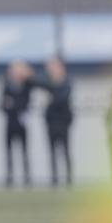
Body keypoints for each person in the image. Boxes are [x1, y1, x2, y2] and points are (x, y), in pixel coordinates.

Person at [1, 60, 34, 186]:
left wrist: (13, 104)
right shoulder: (7, 85)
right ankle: (10, 177)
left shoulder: (26, 85)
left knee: (24, 151)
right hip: (10, 122)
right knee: (9, 151)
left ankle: (27, 177)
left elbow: (23, 102)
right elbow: (4, 103)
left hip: (22, 123)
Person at [42, 57, 73, 186]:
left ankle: (69, 178)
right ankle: (54, 178)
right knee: (52, 151)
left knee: (65, 150)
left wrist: (51, 100)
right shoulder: (48, 82)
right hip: (51, 122)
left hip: (63, 122)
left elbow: (61, 99)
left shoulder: (66, 82)